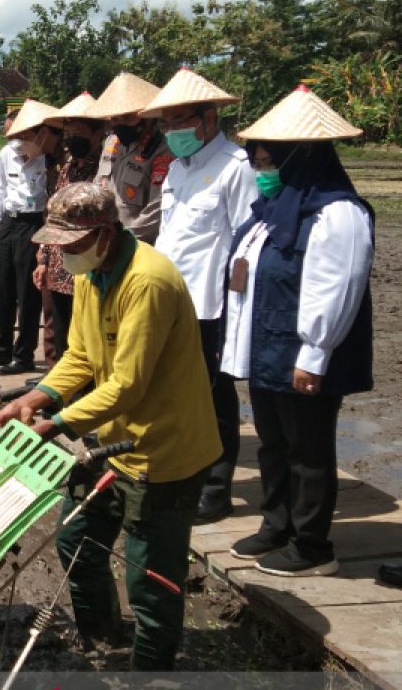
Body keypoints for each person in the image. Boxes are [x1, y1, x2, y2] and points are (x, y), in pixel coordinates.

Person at [0, 182, 220, 669]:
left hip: (163, 452)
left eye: (71, 244)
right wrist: (35, 397)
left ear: (105, 233)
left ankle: (151, 676)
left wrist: (54, 424)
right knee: (77, 544)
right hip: (112, 442)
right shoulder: (92, 275)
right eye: (58, 245)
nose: (63, 254)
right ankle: (102, 638)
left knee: (150, 576)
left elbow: (129, 384)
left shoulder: (147, 282)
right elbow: (79, 357)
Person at [221, 85, 374, 577]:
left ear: (300, 157)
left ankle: (312, 546)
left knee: (308, 449)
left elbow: (338, 287)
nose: (262, 171)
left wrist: (314, 352)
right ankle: (277, 524)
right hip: (268, 349)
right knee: (272, 442)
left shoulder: (337, 213)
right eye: (258, 161)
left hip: (305, 354)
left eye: (270, 161)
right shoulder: (271, 212)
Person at [139, 67, 259, 524]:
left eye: (180, 121)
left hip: (212, 302)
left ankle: (216, 487)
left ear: (208, 118)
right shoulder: (177, 171)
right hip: (171, 297)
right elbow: (170, 235)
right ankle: (183, 471)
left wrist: (238, 307)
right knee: (174, 389)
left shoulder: (235, 168)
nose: (172, 132)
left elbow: (248, 240)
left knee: (214, 393)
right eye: (165, 124)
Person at [0, 99, 62, 375]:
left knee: (28, 294)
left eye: (20, 135)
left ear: (36, 133)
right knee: (2, 290)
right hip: (9, 225)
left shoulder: (51, 160)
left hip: (34, 224)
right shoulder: (6, 154)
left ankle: (23, 356)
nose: (15, 141)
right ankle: (0, 350)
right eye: (10, 136)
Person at [36, 92, 104, 365]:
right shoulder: (66, 169)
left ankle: (77, 390)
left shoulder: (103, 170)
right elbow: (52, 214)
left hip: (85, 263)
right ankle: (52, 385)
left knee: (83, 331)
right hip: (57, 262)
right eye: (68, 132)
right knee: (55, 327)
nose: (71, 138)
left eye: (79, 132)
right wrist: (43, 256)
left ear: (97, 134)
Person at [87, 72, 172, 245]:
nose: (120, 124)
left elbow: (157, 210)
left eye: (128, 118)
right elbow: (98, 186)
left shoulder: (163, 150)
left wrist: (123, 240)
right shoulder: (112, 143)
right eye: (115, 119)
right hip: (104, 240)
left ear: (147, 116)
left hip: (136, 246)